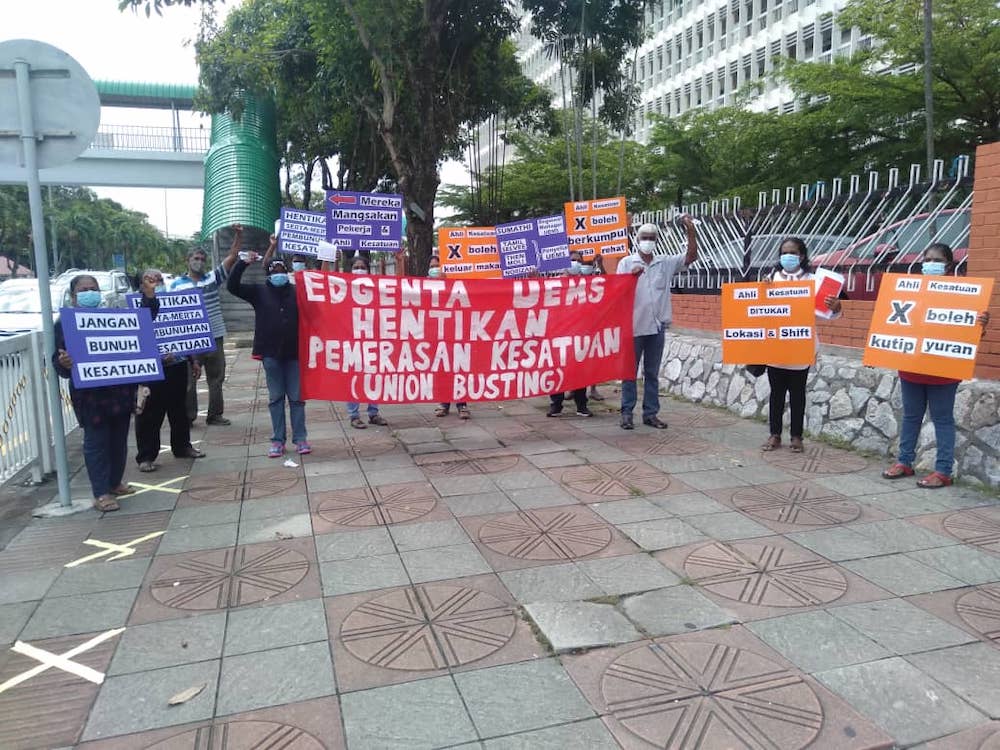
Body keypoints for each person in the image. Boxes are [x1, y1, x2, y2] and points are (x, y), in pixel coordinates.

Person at [883, 243, 990, 488]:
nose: (930, 263)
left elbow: (968, 334)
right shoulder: (910, 290)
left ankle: (943, 471)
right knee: (910, 417)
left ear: (949, 265)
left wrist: (980, 325)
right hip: (911, 367)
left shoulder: (964, 293)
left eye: (936, 260)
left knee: (942, 420)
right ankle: (904, 462)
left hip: (943, 371)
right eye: (927, 258)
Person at [54, 275, 136, 512]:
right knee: (97, 442)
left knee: (119, 441)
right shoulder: (64, 324)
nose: (90, 293)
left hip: (119, 392)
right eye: (84, 289)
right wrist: (65, 363)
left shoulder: (113, 318)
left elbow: (132, 347)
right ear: (73, 296)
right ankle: (101, 493)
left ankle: (114, 483)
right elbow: (57, 362)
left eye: (93, 289)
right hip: (90, 397)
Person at [227, 239, 311, 457]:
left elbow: (321, 293)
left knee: (296, 398)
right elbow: (232, 286)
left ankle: (300, 439)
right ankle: (278, 440)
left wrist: (328, 261)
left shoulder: (297, 291)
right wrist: (242, 264)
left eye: (282, 269)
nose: (279, 273)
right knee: (275, 398)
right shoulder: (258, 291)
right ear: (268, 273)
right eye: (274, 270)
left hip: (294, 354)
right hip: (271, 354)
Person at [760, 238, 842, 453]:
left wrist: (835, 306)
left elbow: (827, 314)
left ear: (802, 256)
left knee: (798, 394)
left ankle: (797, 436)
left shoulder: (814, 281)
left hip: (801, 346)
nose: (788, 256)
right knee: (776, 393)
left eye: (793, 252)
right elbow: (758, 308)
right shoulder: (771, 279)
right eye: (784, 252)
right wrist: (762, 290)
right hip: (775, 345)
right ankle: (774, 434)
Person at [616, 216, 697, 430]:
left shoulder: (665, 263)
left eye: (652, 238)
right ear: (637, 238)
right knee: (629, 372)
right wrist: (630, 279)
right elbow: (616, 293)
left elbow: (690, 258)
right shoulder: (626, 263)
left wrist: (690, 231)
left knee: (652, 372)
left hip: (657, 326)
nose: (648, 241)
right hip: (634, 327)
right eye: (644, 237)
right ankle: (627, 412)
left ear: (656, 240)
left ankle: (650, 413)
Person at [170, 224, 241, 427]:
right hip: (189, 338)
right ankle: (188, 417)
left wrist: (238, 234)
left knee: (216, 377)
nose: (199, 262)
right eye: (195, 259)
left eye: (202, 259)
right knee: (189, 380)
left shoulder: (211, 278)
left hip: (214, 335)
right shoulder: (175, 286)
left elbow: (232, 256)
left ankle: (215, 414)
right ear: (187, 260)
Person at [135, 269, 205, 472]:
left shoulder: (174, 303)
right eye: (150, 280)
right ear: (141, 284)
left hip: (177, 366)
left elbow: (186, 331)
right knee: (149, 414)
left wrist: (193, 360)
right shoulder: (136, 307)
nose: (155, 283)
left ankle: (182, 446)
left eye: (159, 279)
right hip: (150, 370)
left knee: (179, 411)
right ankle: (146, 456)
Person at [344, 256, 389, 429]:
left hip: (373, 339)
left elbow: (397, 289)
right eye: (356, 267)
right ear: (350, 270)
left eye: (363, 267)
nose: (359, 270)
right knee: (353, 378)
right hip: (352, 340)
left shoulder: (376, 288)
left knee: (374, 377)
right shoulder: (344, 288)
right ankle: (354, 415)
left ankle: (373, 412)